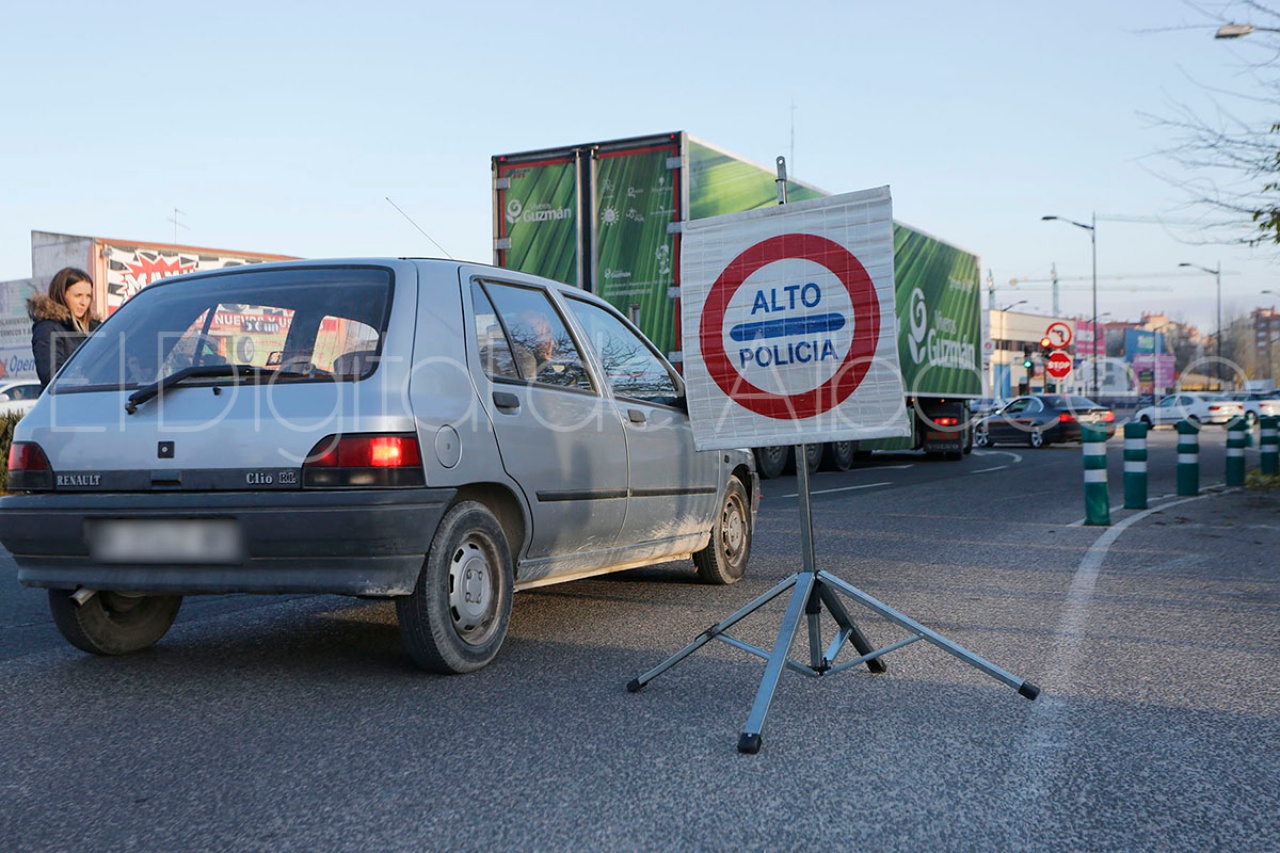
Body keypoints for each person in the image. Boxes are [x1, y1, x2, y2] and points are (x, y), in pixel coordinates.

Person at [29, 267, 101, 389]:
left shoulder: (96, 327)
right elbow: (52, 376)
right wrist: (88, 378)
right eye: (78, 295)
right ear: (62, 295)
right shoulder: (48, 328)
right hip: (63, 402)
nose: (84, 302)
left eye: (88, 296)